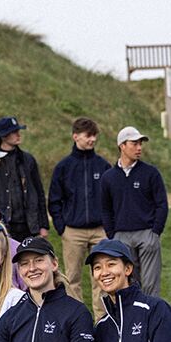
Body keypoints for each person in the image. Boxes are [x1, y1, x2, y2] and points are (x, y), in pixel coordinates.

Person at [48, 117, 111, 318]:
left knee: (102, 277)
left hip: (100, 230)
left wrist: (109, 225)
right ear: (76, 136)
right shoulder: (63, 167)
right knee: (72, 278)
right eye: (88, 136)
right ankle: (77, 320)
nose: (92, 139)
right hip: (73, 231)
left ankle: (102, 319)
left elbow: (111, 199)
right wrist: (61, 227)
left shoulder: (103, 166)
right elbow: (55, 200)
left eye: (94, 136)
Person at [100, 126, 169, 296]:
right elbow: (105, 209)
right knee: (129, 284)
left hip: (147, 234)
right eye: (134, 143)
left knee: (151, 285)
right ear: (122, 146)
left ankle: (152, 320)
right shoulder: (108, 177)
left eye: (140, 144)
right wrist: (112, 235)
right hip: (121, 236)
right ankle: (132, 320)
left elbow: (162, 204)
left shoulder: (151, 173)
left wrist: (155, 232)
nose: (139, 148)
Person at [0, 115, 49, 242]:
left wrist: (44, 225)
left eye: (18, 131)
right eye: (14, 132)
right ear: (4, 136)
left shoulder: (28, 159)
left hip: (28, 225)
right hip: (3, 224)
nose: (18, 134)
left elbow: (39, 192)